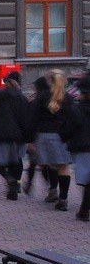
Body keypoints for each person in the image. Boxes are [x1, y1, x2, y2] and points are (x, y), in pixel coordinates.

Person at [31, 69, 75, 210]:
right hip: (61, 136)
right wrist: (67, 136)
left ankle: (52, 189)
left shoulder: (43, 96)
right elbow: (72, 118)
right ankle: (63, 198)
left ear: (49, 81)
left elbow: (33, 118)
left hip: (44, 135)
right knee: (63, 167)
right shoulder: (68, 98)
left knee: (48, 164)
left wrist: (30, 139)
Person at [0, 71, 30, 201]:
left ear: (7, 82)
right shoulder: (21, 98)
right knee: (16, 161)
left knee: (1, 163)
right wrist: (28, 136)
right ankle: (15, 184)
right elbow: (26, 118)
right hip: (17, 135)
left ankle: (10, 180)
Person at [61, 75, 90, 221]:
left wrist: (64, 139)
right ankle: (84, 209)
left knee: (86, 180)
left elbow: (69, 129)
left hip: (83, 148)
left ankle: (84, 210)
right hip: (83, 147)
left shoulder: (77, 110)